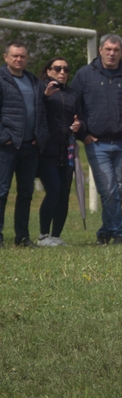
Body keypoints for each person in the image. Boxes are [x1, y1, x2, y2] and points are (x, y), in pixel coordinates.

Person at [71, 34, 122, 245]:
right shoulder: (84, 75)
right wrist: (82, 135)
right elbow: (73, 107)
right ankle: (119, 233)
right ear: (100, 50)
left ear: (121, 52)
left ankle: (104, 231)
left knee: (117, 190)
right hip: (96, 143)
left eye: (116, 50)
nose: (112, 53)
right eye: (108, 49)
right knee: (108, 189)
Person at [0, 41, 48, 248]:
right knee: (1, 192)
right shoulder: (1, 79)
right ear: (6, 57)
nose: (19, 59)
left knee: (26, 194)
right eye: (15, 56)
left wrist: (39, 135)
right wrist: (5, 137)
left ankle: (22, 237)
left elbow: (42, 112)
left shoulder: (34, 81)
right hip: (6, 147)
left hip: (30, 147)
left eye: (22, 56)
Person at [36, 58, 82, 247]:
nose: (62, 72)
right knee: (53, 191)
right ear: (48, 71)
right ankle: (43, 235)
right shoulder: (40, 89)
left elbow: (81, 116)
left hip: (67, 150)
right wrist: (45, 96)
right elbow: (34, 111)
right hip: (47, 151)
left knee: (64, 193)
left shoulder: (72, 94)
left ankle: (56, 236)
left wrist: (80, 124)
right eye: (57, 68)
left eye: (66, 69)